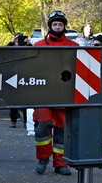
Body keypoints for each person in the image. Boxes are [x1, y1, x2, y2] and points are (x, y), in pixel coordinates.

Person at [33, 11, 78, 176]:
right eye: (55, 24)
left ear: (64, 26)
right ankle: (42, 159)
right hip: (43, 96)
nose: (57, 27)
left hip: (64, 97)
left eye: (60, 24)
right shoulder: (38, 47)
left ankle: (61, 164)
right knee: (42, 129)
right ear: (50, 26)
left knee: (61, 131)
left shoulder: (74, 47)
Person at [7, 33, 31, 128]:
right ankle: (13, 121)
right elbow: (2, 52)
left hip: (24, 75)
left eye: (19, 41)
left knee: (25, 100)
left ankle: (26, 121)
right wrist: (11, 42)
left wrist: (29, 44)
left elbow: (35, 53)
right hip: (12, 75)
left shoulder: (26, 48)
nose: (18, 43)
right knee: (12, 101)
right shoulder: (11, 49)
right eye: (16, 41)